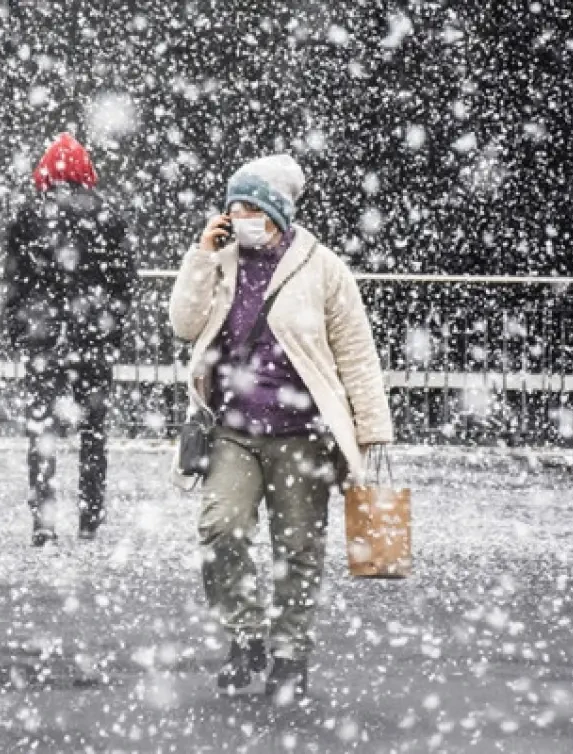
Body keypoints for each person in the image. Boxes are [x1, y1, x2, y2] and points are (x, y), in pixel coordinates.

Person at [168, 154, 393, 704]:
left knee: (297, 548)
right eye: (233, 209)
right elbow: (183, 323)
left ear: (276, 211)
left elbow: (357, 355)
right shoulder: (220, 260)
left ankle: (289, 653)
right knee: (221, 528)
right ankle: (245, 635)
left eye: (250, 208)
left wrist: (372, 431)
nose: (240, 218)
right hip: (234, 429)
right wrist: (201, 255)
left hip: (302, 433)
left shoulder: (323, 268)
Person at [3, 132, 134, 545]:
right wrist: (111, 325)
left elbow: (15, 278)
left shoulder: (28, 215)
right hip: (93, 335)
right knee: (94, 431)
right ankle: (90, 517)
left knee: (41, 430)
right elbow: (123, 282)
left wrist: (18, 325)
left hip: (45, 337)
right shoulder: (108, 215)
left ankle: (43, 522)